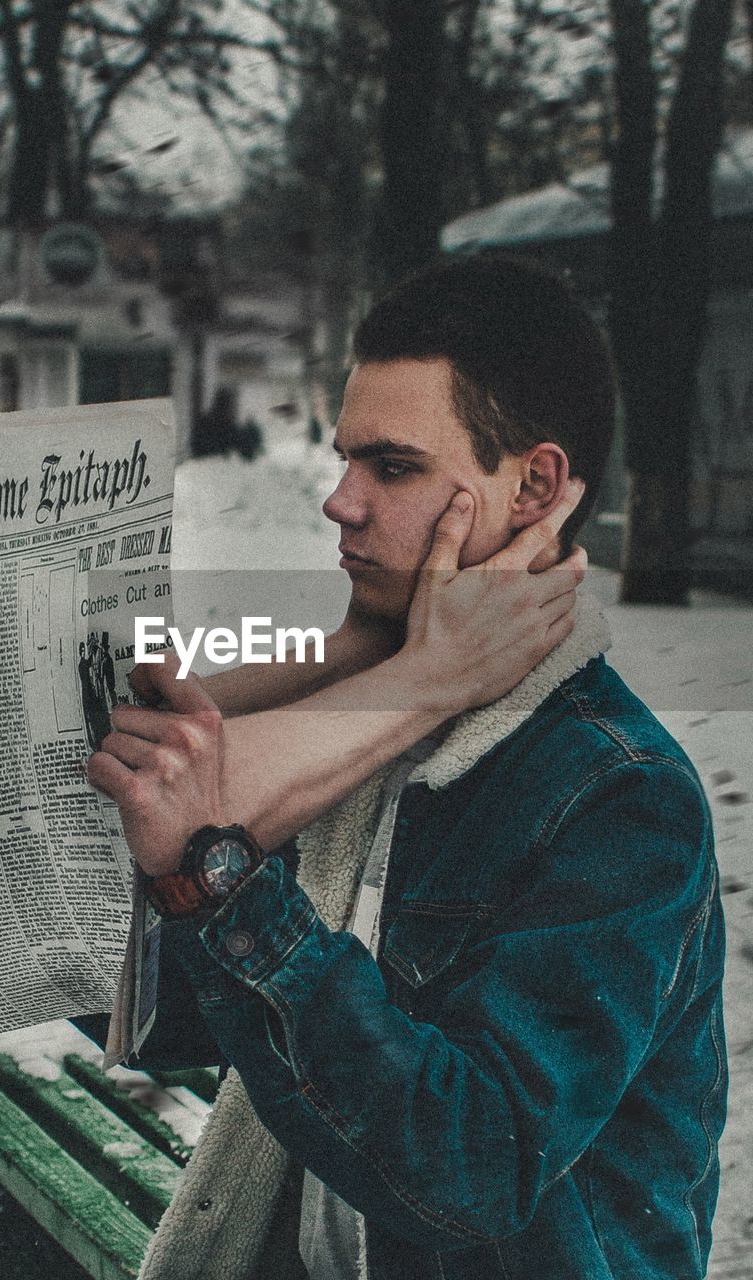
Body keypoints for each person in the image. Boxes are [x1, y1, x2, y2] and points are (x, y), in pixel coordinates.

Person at [86, 255, 726, 1280]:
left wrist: (221, 885)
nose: (339, 502)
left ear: (536, 486)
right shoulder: (382, 713)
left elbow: (471, 1167)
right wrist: (369, 661)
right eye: (345, 460)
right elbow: (188, 1013)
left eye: (391, 466)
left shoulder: (616, 796)